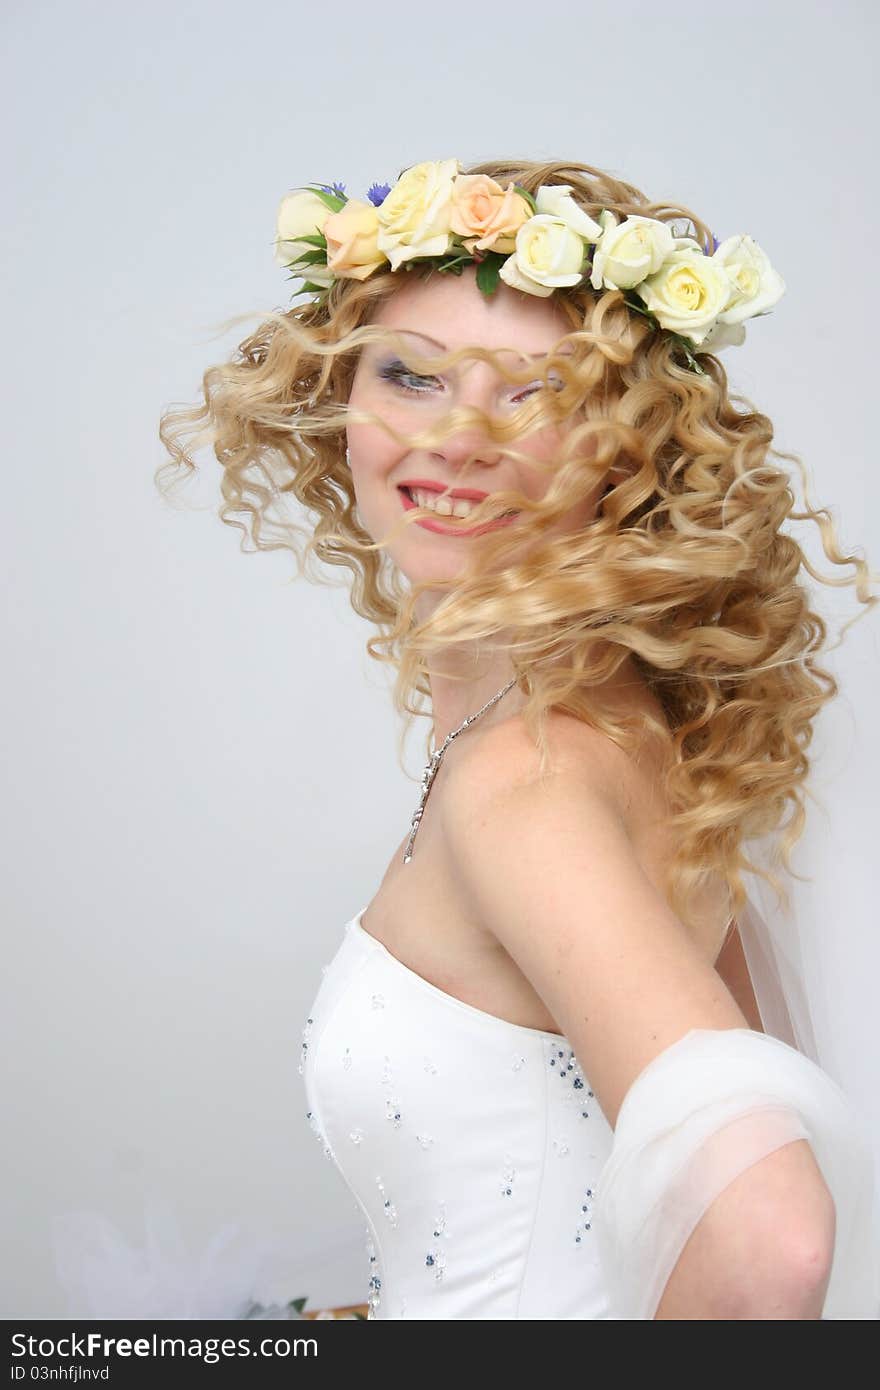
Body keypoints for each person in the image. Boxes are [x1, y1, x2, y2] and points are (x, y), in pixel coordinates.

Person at [157, 157, 880, 1319]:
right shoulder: (625, 729)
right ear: (341, 398)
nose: (460, 437)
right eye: (413, 376)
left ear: (629, 449)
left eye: (537, 392)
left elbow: (771, 1237)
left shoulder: (522, 779)